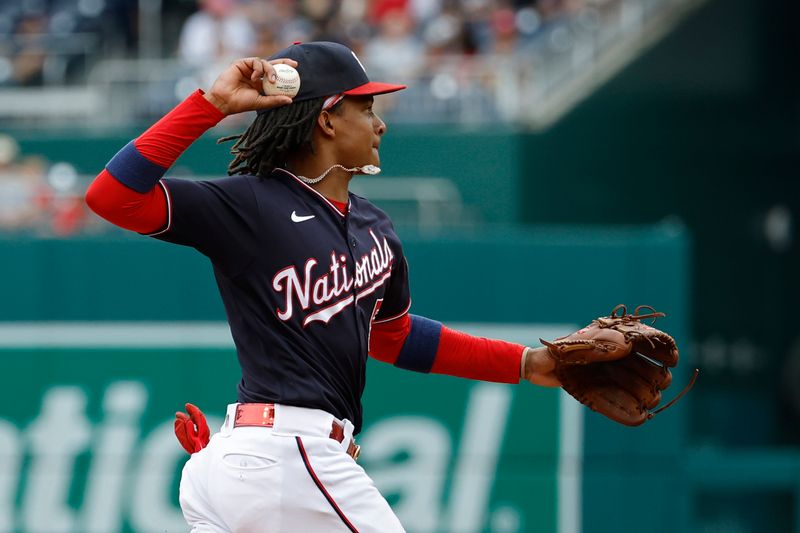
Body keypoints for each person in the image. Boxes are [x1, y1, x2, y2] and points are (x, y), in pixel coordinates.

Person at [85, 41, 559, 533]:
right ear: (328, 120)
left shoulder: (377, 228)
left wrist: (524, 363)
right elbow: (111, 197)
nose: (381, 124)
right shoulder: (250, 205)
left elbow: (392, 337)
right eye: (366, 107)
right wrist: (212, 105)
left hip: (256, 464)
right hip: (286, 457)